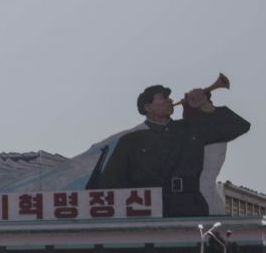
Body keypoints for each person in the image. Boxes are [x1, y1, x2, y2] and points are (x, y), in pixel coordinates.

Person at [93, 84, 251, 217]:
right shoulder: (131, 141)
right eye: (163, 98)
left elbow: (239, 126)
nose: (170, 100)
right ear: (148, 107)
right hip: (148, 209)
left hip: (190, 205)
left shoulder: (190, 129)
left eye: (169, 97)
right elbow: (109, 184)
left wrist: (206, 106)